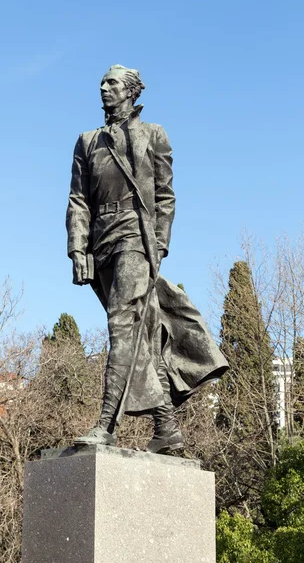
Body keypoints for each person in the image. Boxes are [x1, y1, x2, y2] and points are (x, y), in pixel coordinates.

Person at [66, 65, 228, 454]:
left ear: (131, 92)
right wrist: (77, 248)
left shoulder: (154, 134)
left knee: (122, 324)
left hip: (137, 237)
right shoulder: (87, 141)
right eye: (103, 82)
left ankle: (106, 424)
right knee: (143, 329)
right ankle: (166, 427)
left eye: (113, 83)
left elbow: (165, 195)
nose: (104, 88)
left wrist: (159, 244)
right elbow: (77, 200)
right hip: (100, 243)